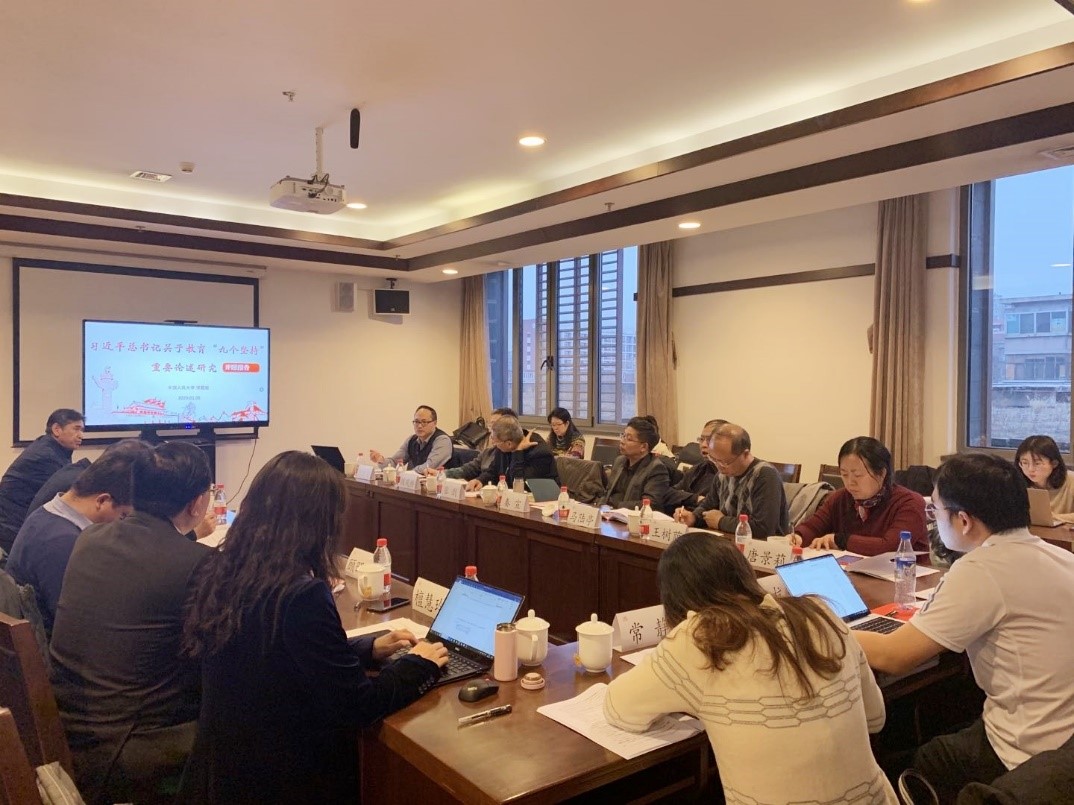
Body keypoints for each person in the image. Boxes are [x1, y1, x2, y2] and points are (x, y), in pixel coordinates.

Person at [176, 451, 448, 804]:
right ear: (318, 523)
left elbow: (277, 656)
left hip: (224, 768)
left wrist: (368, 648)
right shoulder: (301, 595)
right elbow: (358, 706)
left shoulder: (221, 567)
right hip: (283, 778)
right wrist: (420, 664)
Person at [604, 533, 896, 804]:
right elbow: (876, 718)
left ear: (676, 601)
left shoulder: (698, 639)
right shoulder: (820, 613)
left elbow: (618, 708)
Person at [854, 453, 1074, 802]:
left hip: (1029, 746)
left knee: (921, 756)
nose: (933, 519)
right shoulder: (1060, 556)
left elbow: (893, 657)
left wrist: (825, 625)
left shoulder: (982, 569)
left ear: (964, 521)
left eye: (935, 510)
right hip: (1064, 731)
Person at [49, 441, 214, 805]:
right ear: (197, 503)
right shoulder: (200, 565)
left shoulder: (90, 538)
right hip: (131, 751)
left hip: (70, 729)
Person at [6, 439, 153, 632]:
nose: (124, 524)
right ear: (102, 501)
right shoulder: (65, 544)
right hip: (53, 644)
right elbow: (85, 624)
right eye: (124, 515)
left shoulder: (46, 514)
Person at [790, 436, 928, 557]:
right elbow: (813, 527)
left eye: (858, 475)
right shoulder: (840, 498)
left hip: (907, 575)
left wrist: (841, 540)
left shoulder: (909, 503)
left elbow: (889, 547)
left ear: (882, 473)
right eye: (844, 474)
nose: (850, 482)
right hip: (853, 573)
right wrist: (798, 537)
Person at [673, 423, 789, 537]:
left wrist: (721, 521)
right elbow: (708, 506)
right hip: (729, 541)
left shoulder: (764, 475)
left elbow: (764, 528)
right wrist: (693, 517)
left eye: (725, 462)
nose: (719, 466)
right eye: (714, 459)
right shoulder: (721, 475)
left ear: (745, 454)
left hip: (761, 546)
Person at [0, 408, 84, 555]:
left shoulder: (51, 448)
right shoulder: (47, 456)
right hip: (12, 527)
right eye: (76, 429)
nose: (81, 435)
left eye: (82, 430)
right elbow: (67, 496)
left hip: (14, 522)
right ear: (57, 429)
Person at [442, 407, 543, 481]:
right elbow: (486, 470)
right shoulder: (494, 450)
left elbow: (519, 482)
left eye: (496, 424)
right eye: (491, 425)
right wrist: (480, 481)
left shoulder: (536, 451)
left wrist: (518, 452)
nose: (491, 430)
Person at [465, 416, 558, 491]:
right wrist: (480, 480)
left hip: (543, 501)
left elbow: (519, 485)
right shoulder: (505, 445)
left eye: (495, 442)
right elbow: (493, 470)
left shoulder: (540, 453)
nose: (493, 444)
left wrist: (518, 452)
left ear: (509, 444)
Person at [598, 417, 670, 510]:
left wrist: (616, 507)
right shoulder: (619, 461)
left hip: (630, 516)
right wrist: (600, 505)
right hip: (608, 513)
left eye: (629, 439)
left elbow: (649, 504)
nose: (622, 441)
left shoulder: (656, 469)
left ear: (643, 447)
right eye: (623, 436)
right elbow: (607, 492)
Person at [661, 418, 725, 515]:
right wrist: (695, 498)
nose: (703, 445)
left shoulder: (729, 475)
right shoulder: (698, 469)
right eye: (701, 439)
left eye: (710, 440)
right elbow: (668, 494)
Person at [370, 404, 452, 473]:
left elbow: (428, 467)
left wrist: (406, 474)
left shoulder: (442, 440)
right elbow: (395, 463)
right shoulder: (411, 440)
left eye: (424, 422)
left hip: (439, 485)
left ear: (434, 423)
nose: (419, 426)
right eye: (416, 422)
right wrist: (381, 460)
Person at [1014, 434, 1074, 523]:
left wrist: (1052, 517)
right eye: (1025, 463)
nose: (1030, 469)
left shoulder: (1071, 480)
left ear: (1054, 463)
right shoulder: (1017, 483)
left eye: (1037, 463)